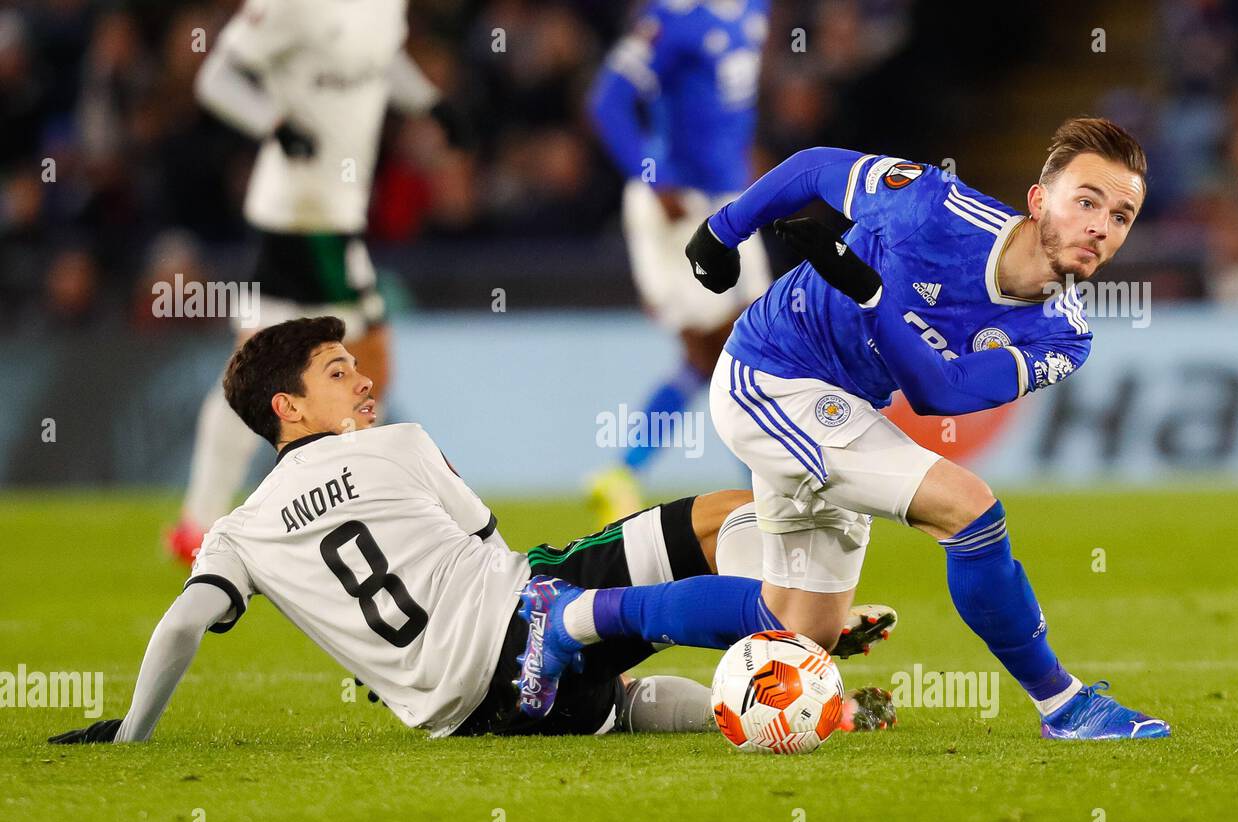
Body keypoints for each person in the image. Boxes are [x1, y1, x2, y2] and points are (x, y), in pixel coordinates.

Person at [51, 318, 893, 744]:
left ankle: (811, 692)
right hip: (523, 625)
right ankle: (798, 628)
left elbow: (183, 622)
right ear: (290, 407)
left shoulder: (239, 530)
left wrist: (131, 732)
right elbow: (493, 555)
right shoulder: (396, 445)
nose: (365, 381)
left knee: (618, 699)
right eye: (340, 373)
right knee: (642, 591)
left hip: (473, 715)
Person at [677, 117, 1170, 740]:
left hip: (847, 405)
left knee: (799, 629)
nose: (1101, 225)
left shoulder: (1063, 335)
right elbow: (814, 167)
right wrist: (723, 231)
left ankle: (574, 620)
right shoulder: (934, 207)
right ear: (1040, 201)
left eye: (1121, 216)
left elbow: (941, 391)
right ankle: (1064, 704)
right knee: (969, 509)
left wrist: (872, 298)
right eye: (1087, 201)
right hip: (774, 376)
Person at [166, 0, 465, 562]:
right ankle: (365, 512)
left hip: (333, 213)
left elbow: (377, 60)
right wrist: (276, 124)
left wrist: (432, 104)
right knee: (366, 362)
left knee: (257, 361)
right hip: (302, 214)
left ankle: (199, 525)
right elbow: (217, 77)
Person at [584, 0, 773, 524]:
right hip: (680, 205)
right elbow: (607, 102)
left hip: (732, 199)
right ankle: (761, 486)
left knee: (744, 348)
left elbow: (731, 100)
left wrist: (743, 157)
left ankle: (624, 473)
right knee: (725, 350)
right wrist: (652, 177)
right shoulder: (671, 16)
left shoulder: (755, 8)